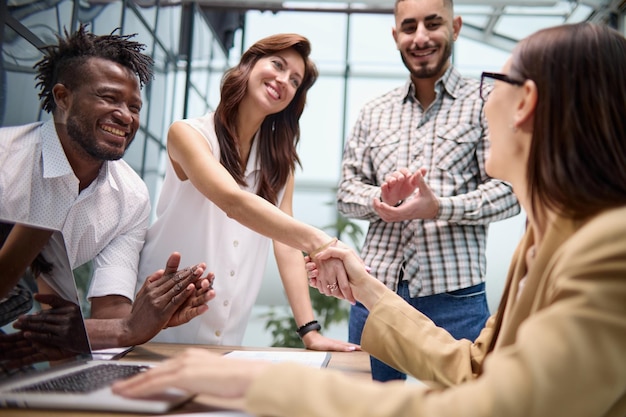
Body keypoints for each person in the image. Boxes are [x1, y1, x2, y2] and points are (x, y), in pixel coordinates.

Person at [113, 21, 626, 417]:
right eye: (277, 67)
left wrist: (271, 378)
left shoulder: (607, 249)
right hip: (163, 312)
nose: (484, 97)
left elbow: (490, 404)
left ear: (526, 103)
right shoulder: (543, 243)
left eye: (497, 82)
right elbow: (474, 368)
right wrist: (366, 285)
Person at [136, 33, 358, 351]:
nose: (283, 80)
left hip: (226, 336)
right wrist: (323, 243)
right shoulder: (188, 135)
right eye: (277, 65)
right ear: (249, 64)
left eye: (295, 80)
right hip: (159, 330)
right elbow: (233, 201)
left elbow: (285, 247)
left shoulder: (279, 166)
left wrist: (310, 332)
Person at [335, 0, 520, 381]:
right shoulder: (374, 111)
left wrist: (438, 207)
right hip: (375, 294)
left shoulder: (486, 104)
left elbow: (510, 193)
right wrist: (379, 200)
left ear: (456, 27)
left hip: (457, 300)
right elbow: (345, 192)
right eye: (409, 27)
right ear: (395, 35)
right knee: (368, 407)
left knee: (467, 406)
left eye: (433, 24)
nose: (420, 37)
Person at [0, 24, 215, 350]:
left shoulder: (130, 196)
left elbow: (110, 316)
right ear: (63, 98)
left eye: (134, 107)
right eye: (108, 97)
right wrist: (127, 328)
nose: (126, 116)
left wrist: (143, 319)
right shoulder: (6, 161)